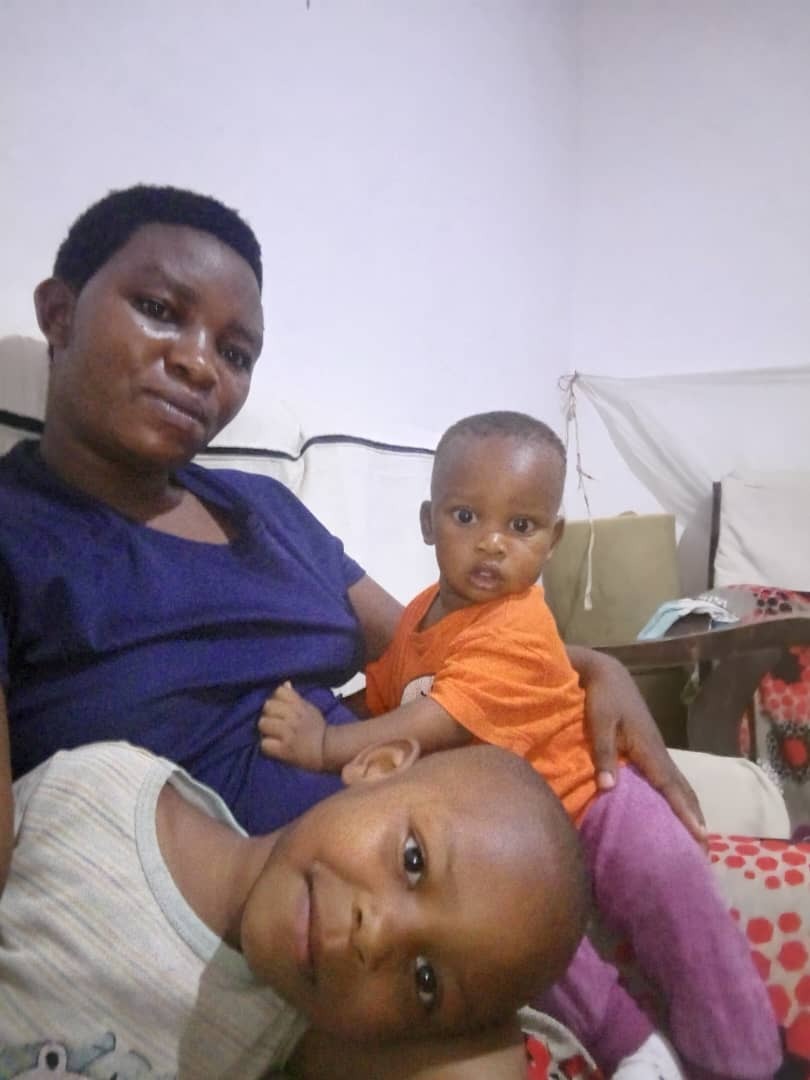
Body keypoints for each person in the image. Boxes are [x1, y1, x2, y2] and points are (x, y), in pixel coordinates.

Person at [0, 185, 700, 1077]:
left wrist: (594, 666)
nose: (200, 364)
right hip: (273, 947)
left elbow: (429, 643)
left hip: (433, 899)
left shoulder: (263, 509)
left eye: (235, 351)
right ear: (59, 312)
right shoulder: (17, 533)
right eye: (160, 310)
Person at [260, 411, 781, 1080]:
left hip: (593, 796)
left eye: (521, 526)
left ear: (552, 539)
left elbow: (433, 722)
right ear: (428, 522)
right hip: (507, 840)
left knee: (670, 876)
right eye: (466, 517)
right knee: (522, 941)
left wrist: (325, 742)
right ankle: (635, 1050)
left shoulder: (519, 623)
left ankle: (743, 1056)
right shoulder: (418, 615)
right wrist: (336, 707)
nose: (492, 544)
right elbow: (390, 695)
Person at [0, 738, 589, 1079]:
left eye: (426, 979)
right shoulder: (98, 793)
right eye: (413, 860)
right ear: (379, 764)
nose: (376, 936)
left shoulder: (299, 1035)